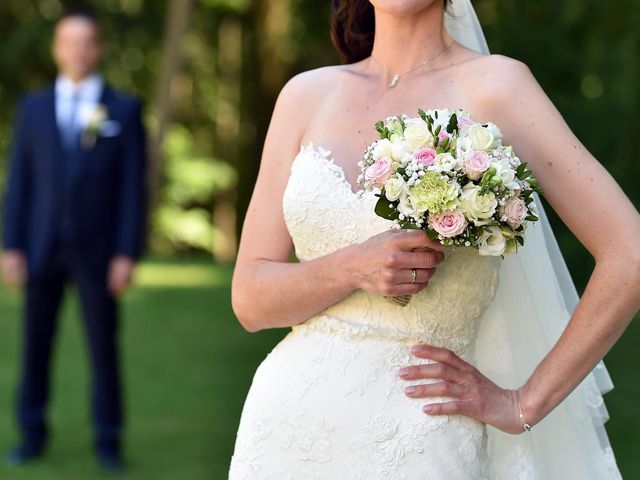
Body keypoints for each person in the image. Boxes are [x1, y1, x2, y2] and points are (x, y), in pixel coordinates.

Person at [228, 0, 639, 478]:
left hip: (420, 438)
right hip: (285, 428)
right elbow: (250, 299)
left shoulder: (496, 86)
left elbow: (629, 253)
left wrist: (521, 403)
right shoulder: (304, 96)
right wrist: (354, 266)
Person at [0, 7, 147, 473]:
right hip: (41, 246)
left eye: (86, 41)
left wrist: (126, 253)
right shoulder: (33, 108)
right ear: (57, 48)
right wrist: (11, 246)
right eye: (68, 41)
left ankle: (108, 441)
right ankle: (31, 434)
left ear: (98, 48)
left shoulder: (124, 110)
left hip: (98, 251)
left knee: (103, 348)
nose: (77, 50)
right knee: (34, 347)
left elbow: (132, 190)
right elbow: (19, 184)